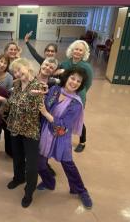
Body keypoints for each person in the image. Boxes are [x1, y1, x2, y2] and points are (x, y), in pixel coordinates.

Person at [37, 67, 93, 209]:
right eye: (72, 78)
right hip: (45, 132)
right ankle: (49, 182)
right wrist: (43, 96)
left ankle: (81, 190)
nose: (74, 82)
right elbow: (46, 104)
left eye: (78, 81)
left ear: (81, 85)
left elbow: (63, 127)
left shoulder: (76, 104)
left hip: (61, 137)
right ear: (66, 77)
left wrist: (45, 113)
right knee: (40, 162)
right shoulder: (55, 89)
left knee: (68, 165)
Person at [0, 58, 43, 208]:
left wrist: (9, 101)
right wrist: (4, 99)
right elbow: (15, 103)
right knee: (18, 157)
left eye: (20, 70)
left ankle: (29, 191)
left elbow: (30, 108)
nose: (18, 73)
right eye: (15, 72)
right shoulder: (18, 85)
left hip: (30, 131)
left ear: (28, 67)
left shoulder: (38, 86)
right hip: (15, 127)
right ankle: (19, 178)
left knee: (32, 164)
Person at [57, 40, 93, 152]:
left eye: (80, 50)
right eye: (76, 49)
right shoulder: (64, 64)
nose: (77, 52)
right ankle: (62, 137)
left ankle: (82, 141)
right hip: (64, 94)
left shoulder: (86, 67)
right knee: (64, 116)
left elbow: (88, 84)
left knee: (77, 118)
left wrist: (78, 92)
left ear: (84, 53)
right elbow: (61, 80)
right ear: (72, 50)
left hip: (78, 95)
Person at [0, 55, 13, 157]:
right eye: (1, 61)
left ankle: (9, 150)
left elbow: (10, 95)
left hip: (3, 108)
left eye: (5, 63)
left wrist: (3, 109)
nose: (2, 64)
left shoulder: (9, 77)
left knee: (7, 131)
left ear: (7, 66)